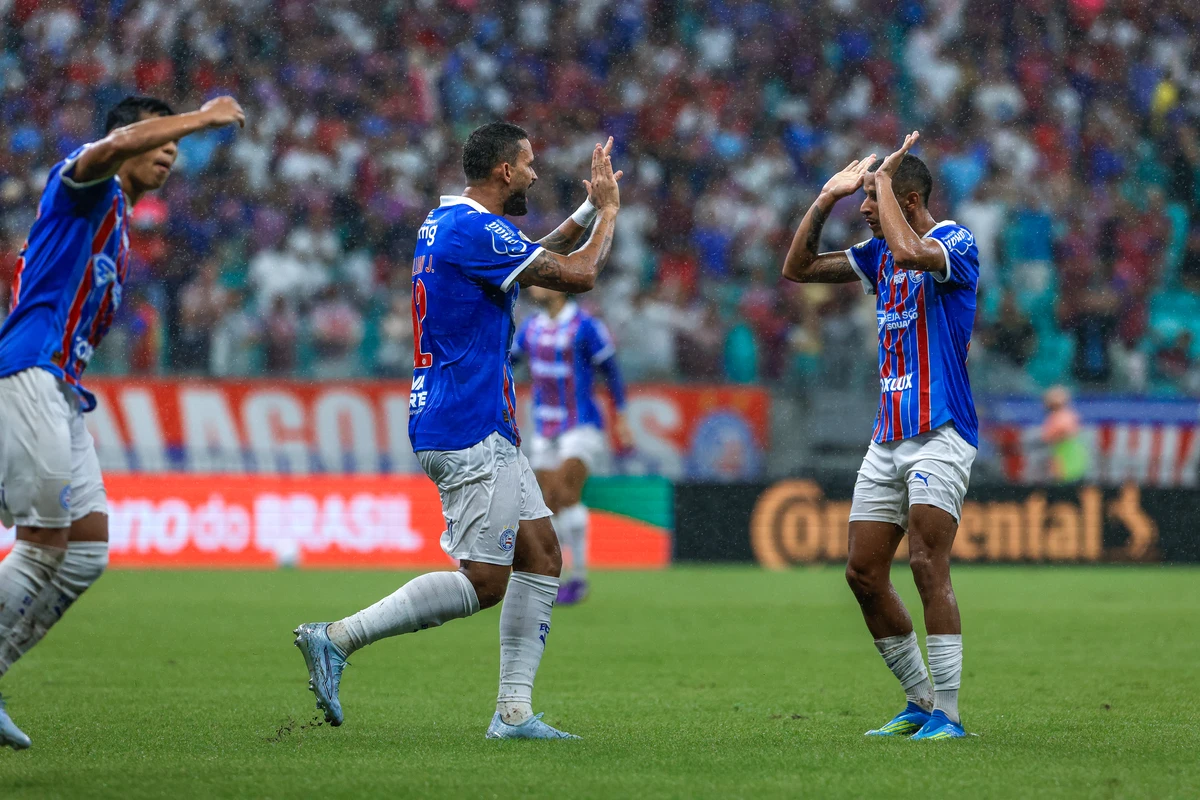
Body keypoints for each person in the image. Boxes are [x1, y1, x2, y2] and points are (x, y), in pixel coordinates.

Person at [293, 122, 622, 740]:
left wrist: (584, 206)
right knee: (485, 578)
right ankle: (336, 638)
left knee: (542, 555)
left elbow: (534, 258)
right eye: (527, 164)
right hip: (467, 423)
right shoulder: (472, 229)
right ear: (504, 171)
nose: (532, 173)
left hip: (473, 419)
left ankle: (514, 714)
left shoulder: (450, 224)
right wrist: (607, 214)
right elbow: (577, 275)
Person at [0, 94, 246, 750]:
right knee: (42, 543)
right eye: (159, 142)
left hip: (64, 389)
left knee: (85, 552)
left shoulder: (119, 221)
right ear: (129, 139)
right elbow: (105, 150)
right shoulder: (83, 184)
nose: (169, 154)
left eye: (175, 150)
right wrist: (201, 117)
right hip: (29, 371)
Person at [782, 132, 980, 741]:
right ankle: (919, 701)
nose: (863, 206)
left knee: (926, 561)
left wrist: (884, 187)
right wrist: (824, 199)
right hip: (888, 434)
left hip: (941, 430)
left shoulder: (955, 241)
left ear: (908, 196)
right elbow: (799, 269)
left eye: (871, 196)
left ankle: (949, 713)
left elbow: (911, 251)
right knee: (863, 573)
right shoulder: (877, 254)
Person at [512, 287, 632, 604]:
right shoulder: (531, 327)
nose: (536, 286)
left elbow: (612, 371)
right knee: (546, 502)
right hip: (543, 428)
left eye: (543, 280)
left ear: (560, 287)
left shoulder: (586, 326)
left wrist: (621, 416)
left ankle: (578, 577)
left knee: (566, 492)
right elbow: (509, 361)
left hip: (581, 426)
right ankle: (560, 577)